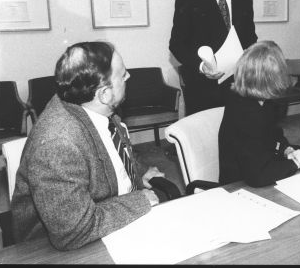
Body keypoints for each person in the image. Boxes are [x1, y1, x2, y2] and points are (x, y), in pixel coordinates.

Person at [11, 42, 180, 251]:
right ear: (104, 94)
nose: (128, 77)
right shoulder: (58, 144)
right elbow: (73, 232)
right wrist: (139, 201)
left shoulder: (95, 108)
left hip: (107, 216)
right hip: (62, 248)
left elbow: (112, 151)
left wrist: (139, 171)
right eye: (123, 74)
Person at [218, 41, 300, 187]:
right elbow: (258, 176)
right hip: (240, 185)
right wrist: (296, 163)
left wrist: (287, 150)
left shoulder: (262, 101)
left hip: (259, 167)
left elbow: (272, 135)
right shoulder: (247, 112)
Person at [170, 0, 258, 115]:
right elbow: (177, 44)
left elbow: (250, 38)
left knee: (238, 136)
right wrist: (202, 67)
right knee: (205, 138)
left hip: (238, 83)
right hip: (202, 87)